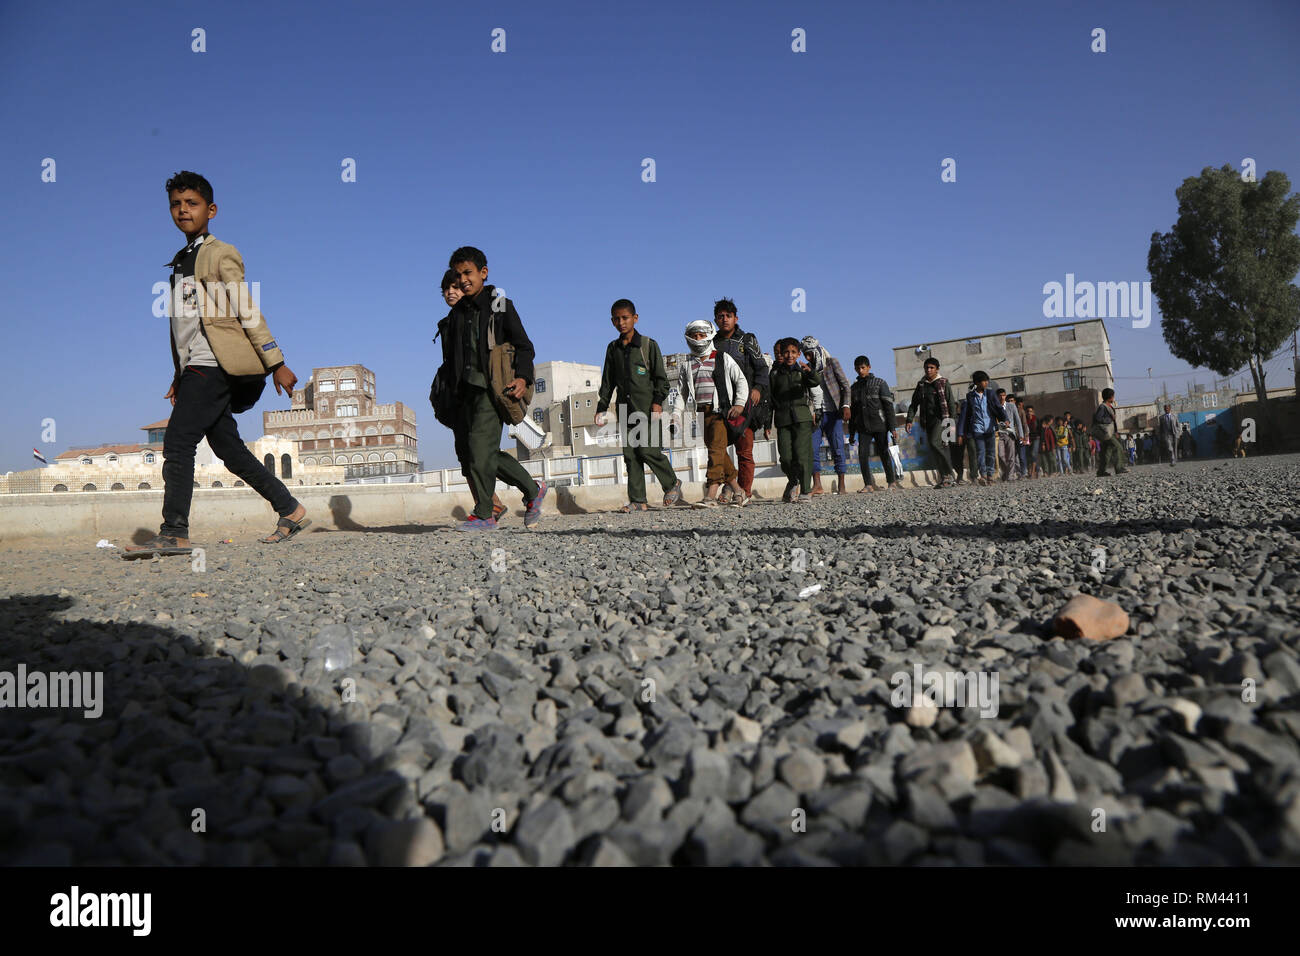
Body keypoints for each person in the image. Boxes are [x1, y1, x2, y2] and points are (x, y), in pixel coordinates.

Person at [125, 171, 308, 558]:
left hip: (215, 365)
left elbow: (246, 308)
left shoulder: (220, 252)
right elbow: (187, 326)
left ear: (211, 210)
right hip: (196, 366)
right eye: (176, 204)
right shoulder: (180, 261)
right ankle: (289, 507)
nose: (182, 210)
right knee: (229, 449)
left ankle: (174, 531)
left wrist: (276, 361)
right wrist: (178, 375)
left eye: (191, 203)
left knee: (177, 441)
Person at [440, 246, 547, 531]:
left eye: (468, 273)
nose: (463, 279)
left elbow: (525, 346)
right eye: (458, 274)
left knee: (479, 449)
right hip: (463, 396)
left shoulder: (500, 305)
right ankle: (533, 490)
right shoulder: (456, 314)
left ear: (483, 273)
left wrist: (523, 378)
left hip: (490, 391)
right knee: (472, 454)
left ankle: (485, 513)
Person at [594, 299, 685, 512]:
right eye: (616, 319)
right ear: (612, 321)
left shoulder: (648, 345)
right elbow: (608, 382)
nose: (621, 322)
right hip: (624, 410)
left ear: (635, 318)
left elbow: (661, 380)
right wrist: (601, 407)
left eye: (625, 318)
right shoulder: (612, 349)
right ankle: (637, 500)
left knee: (647, 450)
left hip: (647, 409)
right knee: (631, 455)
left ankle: (672, 483)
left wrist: (657, 403)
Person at [440, 269, 507, 523]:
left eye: (455, 287)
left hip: (481, 391)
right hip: (459, 396)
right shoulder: (449, 321)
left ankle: (498, 502)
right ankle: (490, 504)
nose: (451, 292)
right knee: (466, 455)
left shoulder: (485, 309)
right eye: (446, 289)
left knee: (481, 451)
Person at [669, 319, 747, 506]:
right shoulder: (687, 365)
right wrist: (675, 415)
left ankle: (710, 494)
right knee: (720, 453)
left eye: (701, 335)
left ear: (708, 336)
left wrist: (740, 404)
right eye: (694, 336)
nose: (698, 339)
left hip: (720, 413)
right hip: (702, 414)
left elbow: (741, 381)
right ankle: (739, 491)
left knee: (715, 452)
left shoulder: (722, 358)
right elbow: (681, 393)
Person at [712, 299, 769, 502]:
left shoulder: (747, 340)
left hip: (745, 404)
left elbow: (762, 368)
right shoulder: (712, 343)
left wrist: (758, 388)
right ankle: (730, 486)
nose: (724, 319)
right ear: (716, 319)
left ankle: (744, 491)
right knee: (718, 448)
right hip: (721, 404)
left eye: (728, 315)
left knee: (744, 450)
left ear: (736, 318)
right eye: (720, 316)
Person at [769, 338, 820, 502]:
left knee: (802, 454)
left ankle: (805, 490)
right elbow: (770, 399)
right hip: (783, 419)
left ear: (799, 354)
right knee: (785, 457)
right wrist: (766, 423)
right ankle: (793, 480)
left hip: (802, 418)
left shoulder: (803, 371)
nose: (790, 355)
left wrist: (809, 371)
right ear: (781, 354)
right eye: (786, 352)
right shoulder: (775, 374)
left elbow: (815, 381)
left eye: (793, 352)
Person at [800, 336, 851, 495]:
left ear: (816, 350)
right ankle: (818, 485)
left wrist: (846, 405)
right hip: (815, 415)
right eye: (805, 354)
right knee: (813, 450)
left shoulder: (831, 363)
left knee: (837, 448)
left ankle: (842, 484)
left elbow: (845, 386)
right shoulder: (807, 368)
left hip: (833, 413)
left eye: (810, 353)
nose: (808, 357)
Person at [848, 355, 900, 492]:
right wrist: (852, 433)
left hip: (880, 425)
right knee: (862, 455)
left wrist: (892, 427)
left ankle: (891, 482)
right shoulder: (854, 388)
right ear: (855, 369)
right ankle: (868, 485)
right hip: (863, 428)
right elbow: (852, 413)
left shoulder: (879, 383)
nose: (860, 371)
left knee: (884, 453)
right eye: (858, 368)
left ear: (869, 367)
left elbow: (888, 406)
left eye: (863, 368)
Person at [904, 357, 957, 488]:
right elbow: (914, 404)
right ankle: (945, 478)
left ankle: (949, 473)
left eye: (932, 367)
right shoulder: (921, 385)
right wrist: (909, 420)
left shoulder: (944, 382)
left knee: (937, 444)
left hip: (943, 420)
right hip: (927, 421)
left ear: (937, 369)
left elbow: (951, 403)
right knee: (937, 449)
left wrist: (952, 423)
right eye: (927, 367)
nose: (929, 370)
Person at [956, 370, 1007, 485]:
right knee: (980, 452)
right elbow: (964, 416)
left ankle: (990, 476)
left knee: (991, 453)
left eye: (986, 380)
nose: (986, 383)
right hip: (977, 429)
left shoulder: (990, 394)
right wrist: (960, 433)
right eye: (984, 381)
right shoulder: (970, 397)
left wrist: (1005, 419)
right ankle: (983, 475)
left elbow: (998, 408)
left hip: (990, 428)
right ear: (977, 383)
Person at [1092, 388, 1127, 477]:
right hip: (1105, 433)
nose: (1114, 398)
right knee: (1117, 446)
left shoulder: (1108, 406)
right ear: (1110, 397)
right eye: (1113, 396)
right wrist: (1110, 419)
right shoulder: (1103, 407)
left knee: (1106, 452)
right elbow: (1098, 418)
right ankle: (1119, 468)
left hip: (1109, 432)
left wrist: (1115, 431)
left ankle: (1101, 471)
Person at [1025, 403, 1041, 479]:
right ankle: (1036, 470)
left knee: (1033, 453)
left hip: (1036, 438)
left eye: (1030, 411)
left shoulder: (1036, 419)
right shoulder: (1024, 420)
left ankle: (1032, 472)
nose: (1029, 413)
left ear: (1033, 412)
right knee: (1029, 455)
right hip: (1028, 438)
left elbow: (1040, 430)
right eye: (1028, 411)